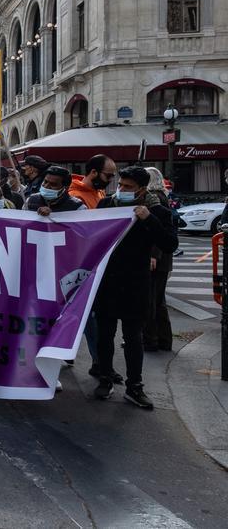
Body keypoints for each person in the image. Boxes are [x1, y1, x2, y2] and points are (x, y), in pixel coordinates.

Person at [93, 166, 178, 409]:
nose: (122, 190)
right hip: (108, 281)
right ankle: (105, 377)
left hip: (136, 282)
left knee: (133, 337)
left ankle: (134, 385)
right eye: (120, 185)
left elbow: (169, 243)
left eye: (128, 187)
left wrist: (148, 219)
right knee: (105, 335)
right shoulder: (106, 205)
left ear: (142, 188)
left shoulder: (157, 212)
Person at [143, 166, 175, 352]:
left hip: (157, 256)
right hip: (163, 257)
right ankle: (163, 340)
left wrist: (153, 255)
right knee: (158, 301)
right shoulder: (162, 196)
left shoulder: (155, 199)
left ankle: (152, 339)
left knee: (151, 301)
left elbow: (158, 229)